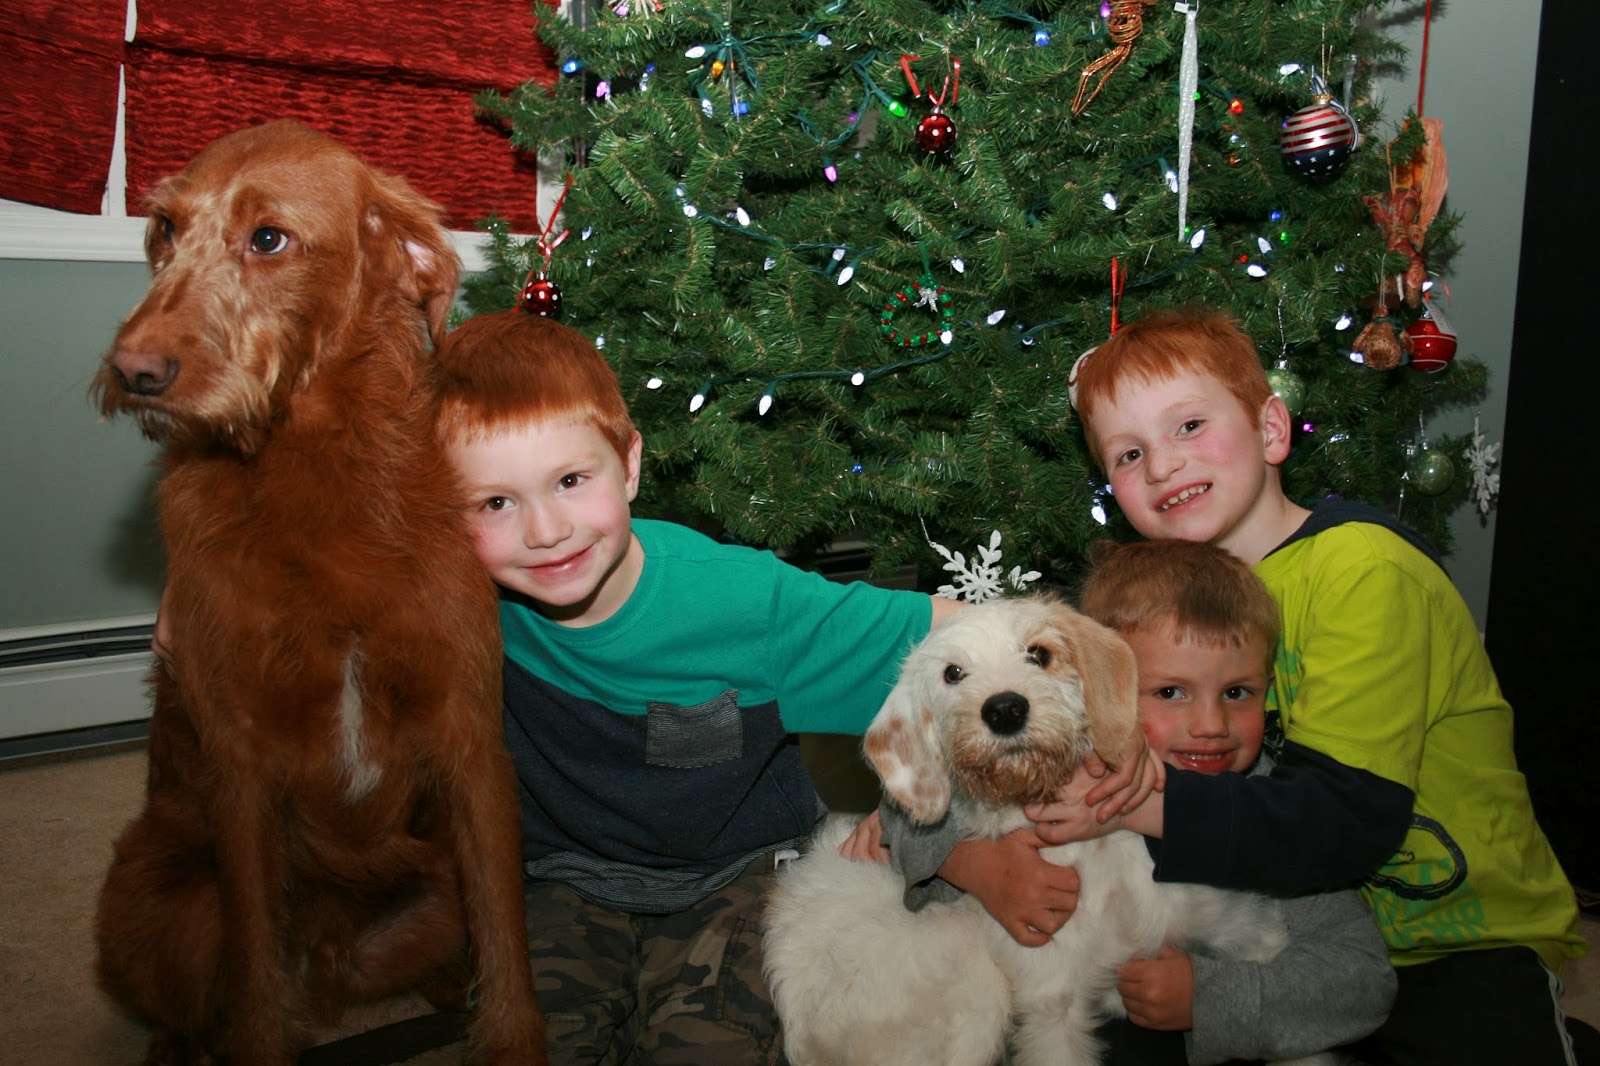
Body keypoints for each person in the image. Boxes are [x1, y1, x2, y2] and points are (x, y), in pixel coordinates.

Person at [427, 309, 1153, 1065]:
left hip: (735, 879)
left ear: (630, 464)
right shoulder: (457, 611)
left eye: (571, 481)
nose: (545, 531)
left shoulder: (747, 604)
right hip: (561, 880)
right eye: (495, 503)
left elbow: (972, 631)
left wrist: (1119, 703)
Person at [1054, 306, 1587, 1065]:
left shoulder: (1364, 570)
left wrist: (1127, 803)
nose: (1163, 466)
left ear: (1272, 429)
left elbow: (1343, 818)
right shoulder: (1151, 611)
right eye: (1129, 454)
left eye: (1190, 426)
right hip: (1277, 934)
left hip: (1454, 941)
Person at [1073, 537, 1395, 1064]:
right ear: (1103, 693)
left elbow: (1363, 979)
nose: (1211, 726)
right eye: (1170, 692)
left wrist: (1207, 997)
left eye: (1236, 692)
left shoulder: (1275, 813)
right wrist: (971, 863)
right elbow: (951, 814)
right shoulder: (1072, 773)